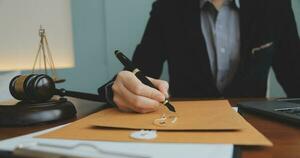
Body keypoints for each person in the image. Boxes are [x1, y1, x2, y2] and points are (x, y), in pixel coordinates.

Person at [98, 0, 300, 113]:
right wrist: (117, 88)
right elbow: (138, 74)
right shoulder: (168, 7)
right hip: (188, 130)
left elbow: (295, 79)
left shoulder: (275, 5)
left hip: (257, 130)